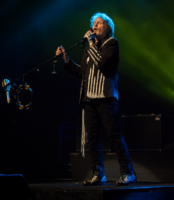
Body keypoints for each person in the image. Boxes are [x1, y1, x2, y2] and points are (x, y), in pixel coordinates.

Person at [55, 12, 135, 186]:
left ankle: (127, 172)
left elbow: (103, 64)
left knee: (113, 134)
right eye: (94, 24)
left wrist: (91, 43)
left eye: (99, 23)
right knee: (92, 138)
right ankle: (98, 173)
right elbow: (83, 73)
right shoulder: (90, 49)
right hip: (89, 97)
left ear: (108, 28)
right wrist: (66, 60)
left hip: (105, 96)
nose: (95, 26)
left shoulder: (111, 44)